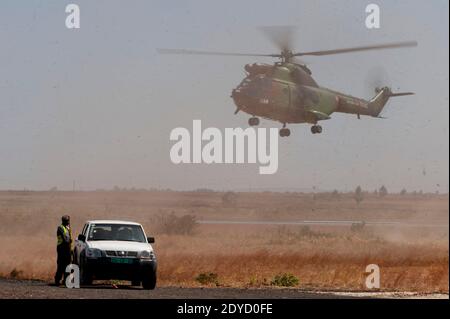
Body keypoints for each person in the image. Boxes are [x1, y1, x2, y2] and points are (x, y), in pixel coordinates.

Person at [54, 215, 73, 286]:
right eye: (66, 221)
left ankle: (65, 281)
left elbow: (69, 240)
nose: (67, 222)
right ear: (63, 221)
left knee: (68, 266)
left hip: (67, 249)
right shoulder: (60, 228)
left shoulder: (68, 228)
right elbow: (66, 239)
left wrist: (71, 250)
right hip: (61, 249)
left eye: (68, 221)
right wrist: (69, 241)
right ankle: (57, 280)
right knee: (61, 265)